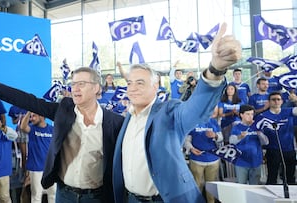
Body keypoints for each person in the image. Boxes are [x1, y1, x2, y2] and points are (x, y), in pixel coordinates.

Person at [0, 52, 124, 203]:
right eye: (73, 84)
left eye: (81, 83)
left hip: (98, 197)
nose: (75, 89)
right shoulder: (63, 110)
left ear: (96, 88)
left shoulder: (116, 123)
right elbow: (26, 100)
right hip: (65, 195)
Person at [112, 23, 242, 203]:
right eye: (130, 83)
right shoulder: (128, 118)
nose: (132, 88)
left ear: (156, 85)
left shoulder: (169, 111)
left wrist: (215, 69)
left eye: (140, 83)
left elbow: (196, 108)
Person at [184, 107, 222, 203]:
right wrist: (191, 148)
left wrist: (215, 136)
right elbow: (187, 140)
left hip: (213, 159)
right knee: (197, 186)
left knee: (211, 187)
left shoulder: (213, 122)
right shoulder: (192, 123)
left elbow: (221, 138)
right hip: (197, 159)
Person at [259, 92, 296, 185]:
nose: (276, 101)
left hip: (289, 150)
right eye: (273, 99)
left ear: (282, 101)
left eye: (278, 99)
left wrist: (296, 100)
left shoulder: (288, 111)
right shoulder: (263, 116)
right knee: (272, 177)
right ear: (269, 102)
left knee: (290, 178)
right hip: (273, 150)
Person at [20, 111, 56, 203]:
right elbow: (23, 127)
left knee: (53, 196)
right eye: (31, 116)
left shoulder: (52, 129)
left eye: (34, 116)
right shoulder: (32, 129)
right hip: (36, 168)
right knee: (36, 197)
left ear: (42, 116)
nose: (31, 118)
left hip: (50, 169)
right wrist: (29, 111)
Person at [229, 105, 269, 185]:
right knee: (241, 186)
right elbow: (231, 141)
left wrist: (258, 132)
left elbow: (266, 142)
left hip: (255, 161)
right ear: (241, 115)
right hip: (241, 161)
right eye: (248, 114)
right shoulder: (237, 127)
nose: (250, 116)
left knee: (254, 187)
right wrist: (240, 136)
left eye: (252, 114)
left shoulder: (257, 127)